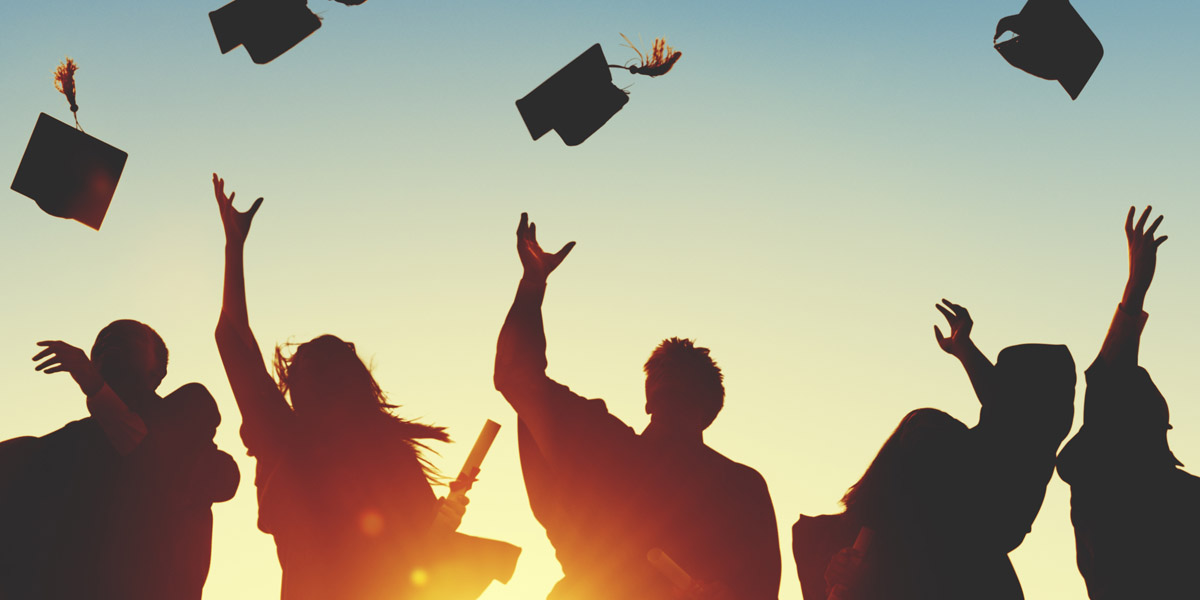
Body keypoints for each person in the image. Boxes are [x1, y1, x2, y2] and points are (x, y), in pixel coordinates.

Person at [211, 174, 517, 600]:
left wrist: (234, 247)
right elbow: (423, 551)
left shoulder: (286, 436)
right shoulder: (323, 440)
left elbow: (232, 338)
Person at [493, 213, 780, 600]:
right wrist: (532, 283)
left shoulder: (739, 486)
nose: (672, 402)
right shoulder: (605, 447)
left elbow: (760, 592)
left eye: (682, 392)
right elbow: (516, 376)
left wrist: (720, 592)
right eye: (669, 390)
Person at [0, 320, 240, 600]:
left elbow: (153, 460)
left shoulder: (188, 412)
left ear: (157, 373)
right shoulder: (68, 443)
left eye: (126, 338)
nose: (108, 340)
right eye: (101, 341)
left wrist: (95, 386)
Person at [1057, 206, 1200, 599]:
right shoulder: (1127, 490)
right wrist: (1135, 289)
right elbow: (1109, 378)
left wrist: (1136, 286)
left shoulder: (1097, 489)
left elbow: (1109, 380)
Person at [934, 300, 1076, 590]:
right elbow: (1001, 397)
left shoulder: (1020, 446)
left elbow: (1002, 401)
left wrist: (965, 349)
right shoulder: (1019, 434)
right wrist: (963, 348)